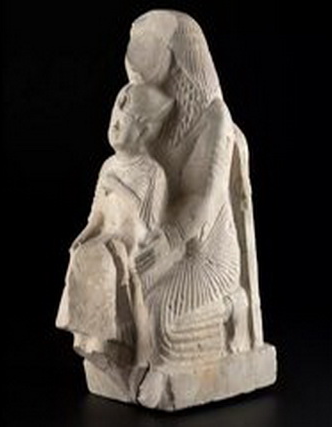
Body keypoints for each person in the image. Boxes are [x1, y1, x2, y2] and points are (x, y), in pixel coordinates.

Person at [123, 10, 255, 406]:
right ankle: (128, 363)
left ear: (177, 55)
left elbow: (206, 198)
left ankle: (229, 311)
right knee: (125, 286)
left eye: (146, 45)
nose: (134, 56)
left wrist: (172, 239)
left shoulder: (215, 117)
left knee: (157, 306)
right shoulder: (156, 107)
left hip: (206, 251)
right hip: (164, 238)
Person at [57, 83, 173, 379]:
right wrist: (83, 236)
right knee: (83, 256)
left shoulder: (153, 173)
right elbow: (97, 216)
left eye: (124, 121)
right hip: (107, 238)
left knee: (121, 269)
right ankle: (92, 341)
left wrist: (120, 188)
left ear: (144, 131)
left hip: (137, 244)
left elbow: (150, 225)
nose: (115, 125)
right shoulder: (108, 167)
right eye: (114, 118)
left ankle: (129, 351)